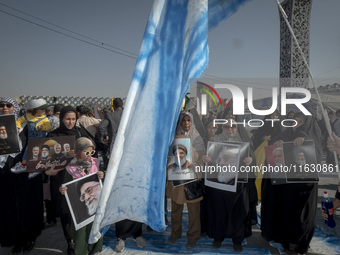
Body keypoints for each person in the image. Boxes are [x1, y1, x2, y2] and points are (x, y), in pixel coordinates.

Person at [261, 112, 321, 254]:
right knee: (285, 211)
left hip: (304, 187)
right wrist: (277, 145)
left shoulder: (311, 135)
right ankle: (286, 241)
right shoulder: (285, 133)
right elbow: (271, 158)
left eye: (301, 122)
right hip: (286, 186)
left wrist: (305, 142)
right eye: (295, 121)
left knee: (301, 215)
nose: (297, 124)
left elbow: (316, 157)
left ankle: (299, 243)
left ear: (307, 123)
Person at [203, 118, 257, 252]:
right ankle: (218, 237)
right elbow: (209, 160)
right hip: (219, 185)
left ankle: (237, 239)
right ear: (223, 128)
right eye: (227, 127)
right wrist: (205, 159)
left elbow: (252, 159)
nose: (230, 129)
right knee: (219, 210)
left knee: (238, 212)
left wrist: (251, 160)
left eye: (233, 127)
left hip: (238, 185)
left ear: (237, 128)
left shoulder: (244, 142)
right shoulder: (215, 141)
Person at [0, 97, 44, 254]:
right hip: (5, 172)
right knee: (10, 207)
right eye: (2, 105)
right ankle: (15, 239)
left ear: (15, 108)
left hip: (24, 172)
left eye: (8, 105)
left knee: (26, 205)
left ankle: (29, 237)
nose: (5, 108)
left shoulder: (26, 125)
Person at [45, 105, 89, 254]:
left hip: (78, 177)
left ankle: (80, 240)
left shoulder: (80, 133)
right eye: (67, 119)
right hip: (61, 178)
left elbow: (91, 152)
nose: (70, 122)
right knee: (65, 211)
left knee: (80, 209)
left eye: (73, 119)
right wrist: (64, 155)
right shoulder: (53, 135)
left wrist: (78, 154)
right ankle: (69, 241)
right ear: (61, 119)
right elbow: (47, 161)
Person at [166, 111, 205, 250]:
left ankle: (193, 237)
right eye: (183, 120)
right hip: (176, 179)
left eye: (189, 120)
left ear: (192, 122)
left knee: (194, 211)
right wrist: (168, 160)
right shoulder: (173, 138)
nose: (186, 123)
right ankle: (175, 233)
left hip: (192, 180)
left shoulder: (197, 139)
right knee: (176, 209)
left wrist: (198, 164)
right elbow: (168, 155)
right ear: (180, 122)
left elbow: (203, 158)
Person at [60, 137, 104, 255]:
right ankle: (81, 251)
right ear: (79, 152)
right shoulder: (71, 167)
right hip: (79, 207)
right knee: (80, 230)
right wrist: (63, 189)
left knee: (94, 227)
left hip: (94, 203)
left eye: (91, 152)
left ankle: (94, 249)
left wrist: (101, 174)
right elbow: (65, 184)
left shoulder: (96, 162)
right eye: (86, 152)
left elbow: (102, 178)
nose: (89, 155)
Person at [11, 98, 52, 173]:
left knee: (39, 153)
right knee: (28, 151)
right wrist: (18, 127)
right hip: (31, 140)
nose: (44, 111)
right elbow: (19, 120)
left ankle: (37, 167)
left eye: (44, 109)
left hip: (41, 140)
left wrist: (43, 127)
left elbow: (49, 127)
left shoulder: (44, 118)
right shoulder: (28, 116)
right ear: (34, 110)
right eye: (42, 109)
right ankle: (23, 165)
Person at [97, 97, 123, 167]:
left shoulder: (110, 116)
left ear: (113, 106)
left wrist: (102, 140)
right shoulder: (129, 115)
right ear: (122, 105)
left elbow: (101, 127)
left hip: (114, 145)